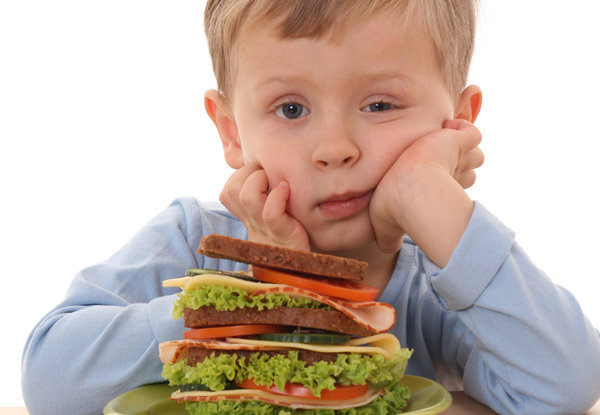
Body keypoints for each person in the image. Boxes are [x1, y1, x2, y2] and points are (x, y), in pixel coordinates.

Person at [21, 1, 600, 414]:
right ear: (230, 130)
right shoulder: (192, 237)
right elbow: (51, 381)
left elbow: (565, 385)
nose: (335, 148)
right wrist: (249, 304)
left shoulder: (435, 287)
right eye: (291, 110)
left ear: (457, 121)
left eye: (379, 103)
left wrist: (432, 195)